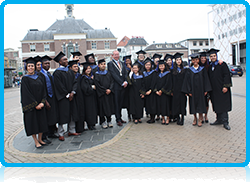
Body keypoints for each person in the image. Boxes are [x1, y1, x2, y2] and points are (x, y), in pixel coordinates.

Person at [20, 57, 48, 148]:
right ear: (26, 67)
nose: (31, 67)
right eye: (29, 66)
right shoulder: (25, 79)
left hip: (41, 104)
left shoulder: (40, 76)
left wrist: (43, 102)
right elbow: (26, 94)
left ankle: (40, 139)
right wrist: (35, 104)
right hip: (31, 107)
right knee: (33, 124)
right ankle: (35, 141)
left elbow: (44, 89)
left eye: (32, 66)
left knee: (41, 123)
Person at [53, 52, 79, 141]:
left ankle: (71, 130)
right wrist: (67, 94)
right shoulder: (57, 73)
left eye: (66, 59)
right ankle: (60, 133)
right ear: (60, 62)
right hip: (63, 98)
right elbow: (58, 85)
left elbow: (75, 82)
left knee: (72, 113)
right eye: (64, 60)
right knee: (62, 115)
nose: (66, 61)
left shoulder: (70, 71)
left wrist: (72, 92)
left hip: (71, 96)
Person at [182, 53, 212, 127]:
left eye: (196, 59)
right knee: (193, 105)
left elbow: (206, 80)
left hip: (201, 91)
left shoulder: (202, 69)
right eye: (193, 60)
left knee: (201, 105)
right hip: (193, 91)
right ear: (191, 60)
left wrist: (206, 90)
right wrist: (189, 91)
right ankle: (195, 118)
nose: (195, 61)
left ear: (198, 60)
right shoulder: (189, 70)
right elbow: (187, 81)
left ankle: (200, 119)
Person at [207, 48, 232, 130]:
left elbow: (227, 75)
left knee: (223, 105)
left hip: (222, 89)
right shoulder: (210, 66)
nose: (213, 57)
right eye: (211, 56)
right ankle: (219, 120)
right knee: (216, 105)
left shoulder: (222, 64)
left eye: (214, 56)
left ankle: (225, 122)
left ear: (216, 56)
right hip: (214, 90)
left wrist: (226, 86)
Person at [40, 55, 59, 143]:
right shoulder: (40, 74)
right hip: (45, 98)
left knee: (52, 116)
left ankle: (51, 132)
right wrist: (45, 101)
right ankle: (44, 136)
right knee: (45, 118)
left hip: (51, 97)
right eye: (45, 63)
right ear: (41, 65)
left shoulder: (48, 73)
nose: (47, 65)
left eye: (48, 63)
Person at [107, 50, 128, 126]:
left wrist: (126, 81)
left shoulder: (122, 63)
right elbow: (113, 74)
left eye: (117, 54)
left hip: (123, 86)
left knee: (121, 103)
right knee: (116, 103)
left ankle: (120, 117)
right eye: (115, 55)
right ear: (112, 56)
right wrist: (121, 83)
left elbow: (125, 72)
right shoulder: (110, 64)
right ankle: (118, 119)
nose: (116, 56)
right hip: (116, 86)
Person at [94, 59, 115, 129]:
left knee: (109, 107)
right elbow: (97, 85)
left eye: (104, 64)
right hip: (102, 94)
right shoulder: (96, 74)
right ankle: (103, 121)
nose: (103, 65)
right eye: (102, 64)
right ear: (98, 65)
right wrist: (104, 90)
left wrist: (110, 89)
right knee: (102, 108)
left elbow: (112, 82)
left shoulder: (108, 73)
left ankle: (109, 120)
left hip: (109, 94)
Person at [68, 60, 85, 133]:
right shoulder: (69, 75)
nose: (76, 68)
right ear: (71, 67)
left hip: (80, 95)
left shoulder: (79, 75)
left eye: (77, 66)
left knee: (80, 111)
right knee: (74, 112)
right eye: (74, 66)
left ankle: (80, 128)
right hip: (73, 96)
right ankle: (73, 129)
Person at [81, 62, 98, 130]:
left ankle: (93, 123)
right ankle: (90, 124)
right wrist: (92, 87)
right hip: (87, 97)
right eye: (87, 69)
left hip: (92, 96)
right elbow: (84, 88)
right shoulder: (83, 78)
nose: (89, 70)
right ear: (84, 70)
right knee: (89, 110)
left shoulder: (90, 77)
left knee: (93, 110)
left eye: (89, 68)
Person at [171, 53, 187, 125]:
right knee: (176, 104)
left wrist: (186, 90)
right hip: (175, 90)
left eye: (180, 59)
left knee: (183, 104)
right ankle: (177, 118)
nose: (178, 61)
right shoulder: (173, 71)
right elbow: (171, 81)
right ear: (175, 61)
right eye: (177, 60)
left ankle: (182, 118)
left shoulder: (185, 70)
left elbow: (187, 80)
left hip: (183, 90)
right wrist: (172, 90)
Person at [155, 60, 172, 125]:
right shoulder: (157, 74)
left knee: (166, 106)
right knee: (160, 106)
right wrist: (156, 91)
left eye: (162, 66)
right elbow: (155, 83)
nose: (161, 67)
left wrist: (162, 90)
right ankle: (163, 118)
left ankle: (167, 118)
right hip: (159, 94)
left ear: (165, 66)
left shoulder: (168, 74)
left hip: (165, 93)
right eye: (160, 66)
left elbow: (168, 83)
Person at [143, 57, 157, 123]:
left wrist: (150, 90)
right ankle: (150, 117)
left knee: (152, 105)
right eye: (146, 65)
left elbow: (154, 82)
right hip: (146, 92)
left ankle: (153, 118)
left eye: (149, 65)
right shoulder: (143, 73)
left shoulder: (154, 73)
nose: (148, 66)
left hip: (152, 92)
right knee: (148, 105)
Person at [199, 51, 210, 123]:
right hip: (199, 87)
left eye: (204, 58)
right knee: (200, 102)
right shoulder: (197, 67)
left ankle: (205, 115)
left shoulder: (209, 66)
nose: (203, 59)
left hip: (207, 86)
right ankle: (201, 116)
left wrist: (207, 88)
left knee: (206, 102)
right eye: (202, 58)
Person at [122, 55, 132, 121]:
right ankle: (129, 115)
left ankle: (133, 114)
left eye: (129, 60)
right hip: (126, 87)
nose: (128, 62)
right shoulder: (123, 68)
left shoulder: (133, 67)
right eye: (126, 61)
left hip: (132, 87)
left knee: (132, 101)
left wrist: (131, 68)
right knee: (128, 102)